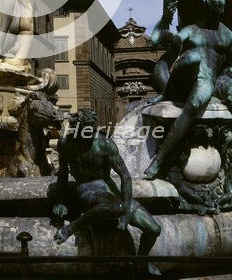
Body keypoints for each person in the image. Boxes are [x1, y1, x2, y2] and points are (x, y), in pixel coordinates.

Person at [144, 0, 232, 180]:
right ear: (207, 9)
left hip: (206, 79)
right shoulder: (191, 31)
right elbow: (155, 39)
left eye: (219, 8)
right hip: (183, 80)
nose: (217, 12)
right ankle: (166, 94)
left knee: (195, 103)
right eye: (213, 8)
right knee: (193, 57)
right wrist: (165, 14)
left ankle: (159, 159)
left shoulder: (230, 38)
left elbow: (228, 67)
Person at [52, 109, 161, 273]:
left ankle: (141, 261)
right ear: (76, 127)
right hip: (87, 191)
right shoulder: (65, 144)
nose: (90, 132)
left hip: (113, 194)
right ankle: (71, 228)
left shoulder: (105, 144)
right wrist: (59, 201)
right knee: (117, 207)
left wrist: (125, 214)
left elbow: (125, 177)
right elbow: (62, 173)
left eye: (92, 128)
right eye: (86, 129)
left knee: (154, 229)